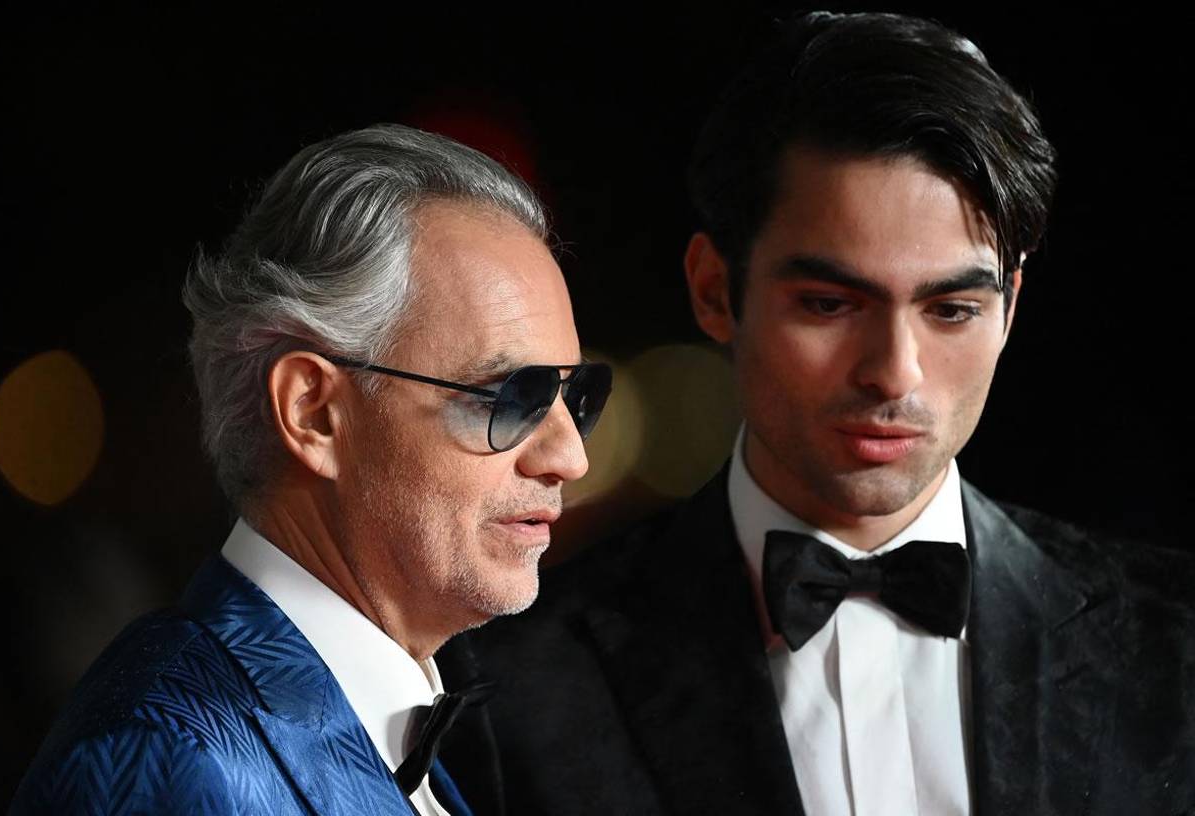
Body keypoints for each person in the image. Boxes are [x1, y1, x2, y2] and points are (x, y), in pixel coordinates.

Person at [438, 12, 1195, 815]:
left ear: (1010, 306)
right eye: (830, 304)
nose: (894, 372)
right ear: (712, 291)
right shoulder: (509, 684)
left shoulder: (1174, 646)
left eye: (952, 310)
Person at [11, 124, 612, 815]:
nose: (571, 457)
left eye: (577, 396)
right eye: (512, 397)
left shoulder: (370, 720)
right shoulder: (172, 759)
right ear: (314, 413)